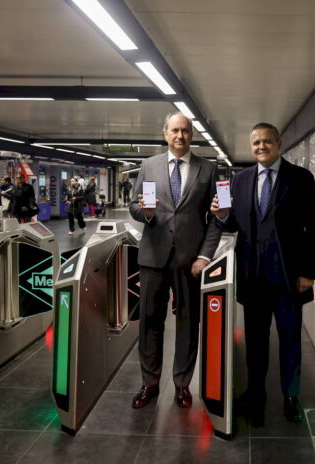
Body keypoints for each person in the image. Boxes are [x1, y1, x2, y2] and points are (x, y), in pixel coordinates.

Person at [210, 122, 315, 426]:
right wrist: (221, 216)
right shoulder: (240, 180)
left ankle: (291, 396)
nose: (261, 146)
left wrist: (308, 273)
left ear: (279, 144)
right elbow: (233, 224)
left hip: (289, 277)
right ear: (252, 147)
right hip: (253, 276)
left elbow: (313, 228)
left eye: (267, 141)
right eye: (256, 142)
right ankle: (255, 393)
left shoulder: (301, 178)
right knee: (255, 341)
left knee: (290, 338)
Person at [129, 112, 221, 409]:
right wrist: (145, 212)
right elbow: (133, 206)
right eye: (174, 130)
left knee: (188, 323)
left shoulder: (209, 169)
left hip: (190, 261)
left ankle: (182, 384)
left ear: (192, 134)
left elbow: (218, 217)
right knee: (150, 322)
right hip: (152, 257)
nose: (180, 136)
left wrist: (204, 256)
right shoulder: (149, 165)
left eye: (185, 131)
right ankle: (149, 383)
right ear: (165, 133)